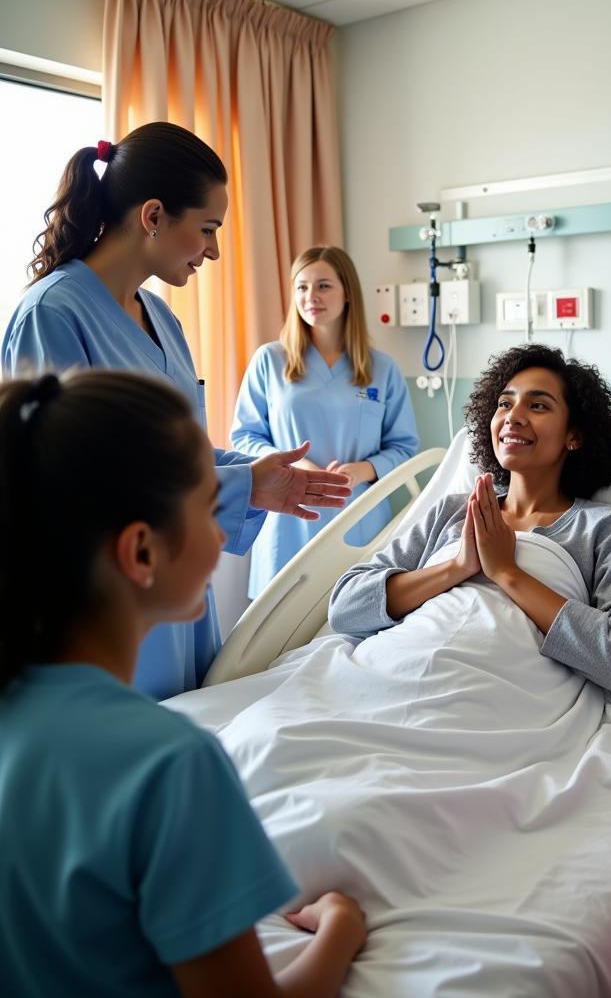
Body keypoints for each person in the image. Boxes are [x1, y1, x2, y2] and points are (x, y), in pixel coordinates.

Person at [0, 369, 366, 996]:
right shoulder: (171, 766)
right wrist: (341, 929)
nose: (224, 532)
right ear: (141, 552)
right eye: (206, 505)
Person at [2, 123, 352, 699]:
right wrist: (237, 486)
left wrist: (258, 477)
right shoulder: (53, 315)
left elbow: (178, 447)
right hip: (103, 602)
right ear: (154, 215)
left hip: (175, 592)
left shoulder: (162, 320)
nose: (214, 250)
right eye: (208, 228)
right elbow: (68, 483)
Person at [328, 342, 611, 700]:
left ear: (575, 435)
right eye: (505, 403)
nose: (513, 416)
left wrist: (508, 572)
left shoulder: (604, 528)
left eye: (537, 405)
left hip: (495, 699)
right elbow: (346, 608)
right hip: (389, 673)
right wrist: (458, 566)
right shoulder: (453, 511)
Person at [230, 245, 418, 598]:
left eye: (323, 286)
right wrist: (296, 462)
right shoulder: (270, 360)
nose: (310, 296)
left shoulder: (382, 369)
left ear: (347, 293)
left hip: (360, 519)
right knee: (280, 637)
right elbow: (244, 437)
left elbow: (405, 447)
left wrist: (363, 470)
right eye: (301, 287)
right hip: (289, 518)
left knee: (357, 626)